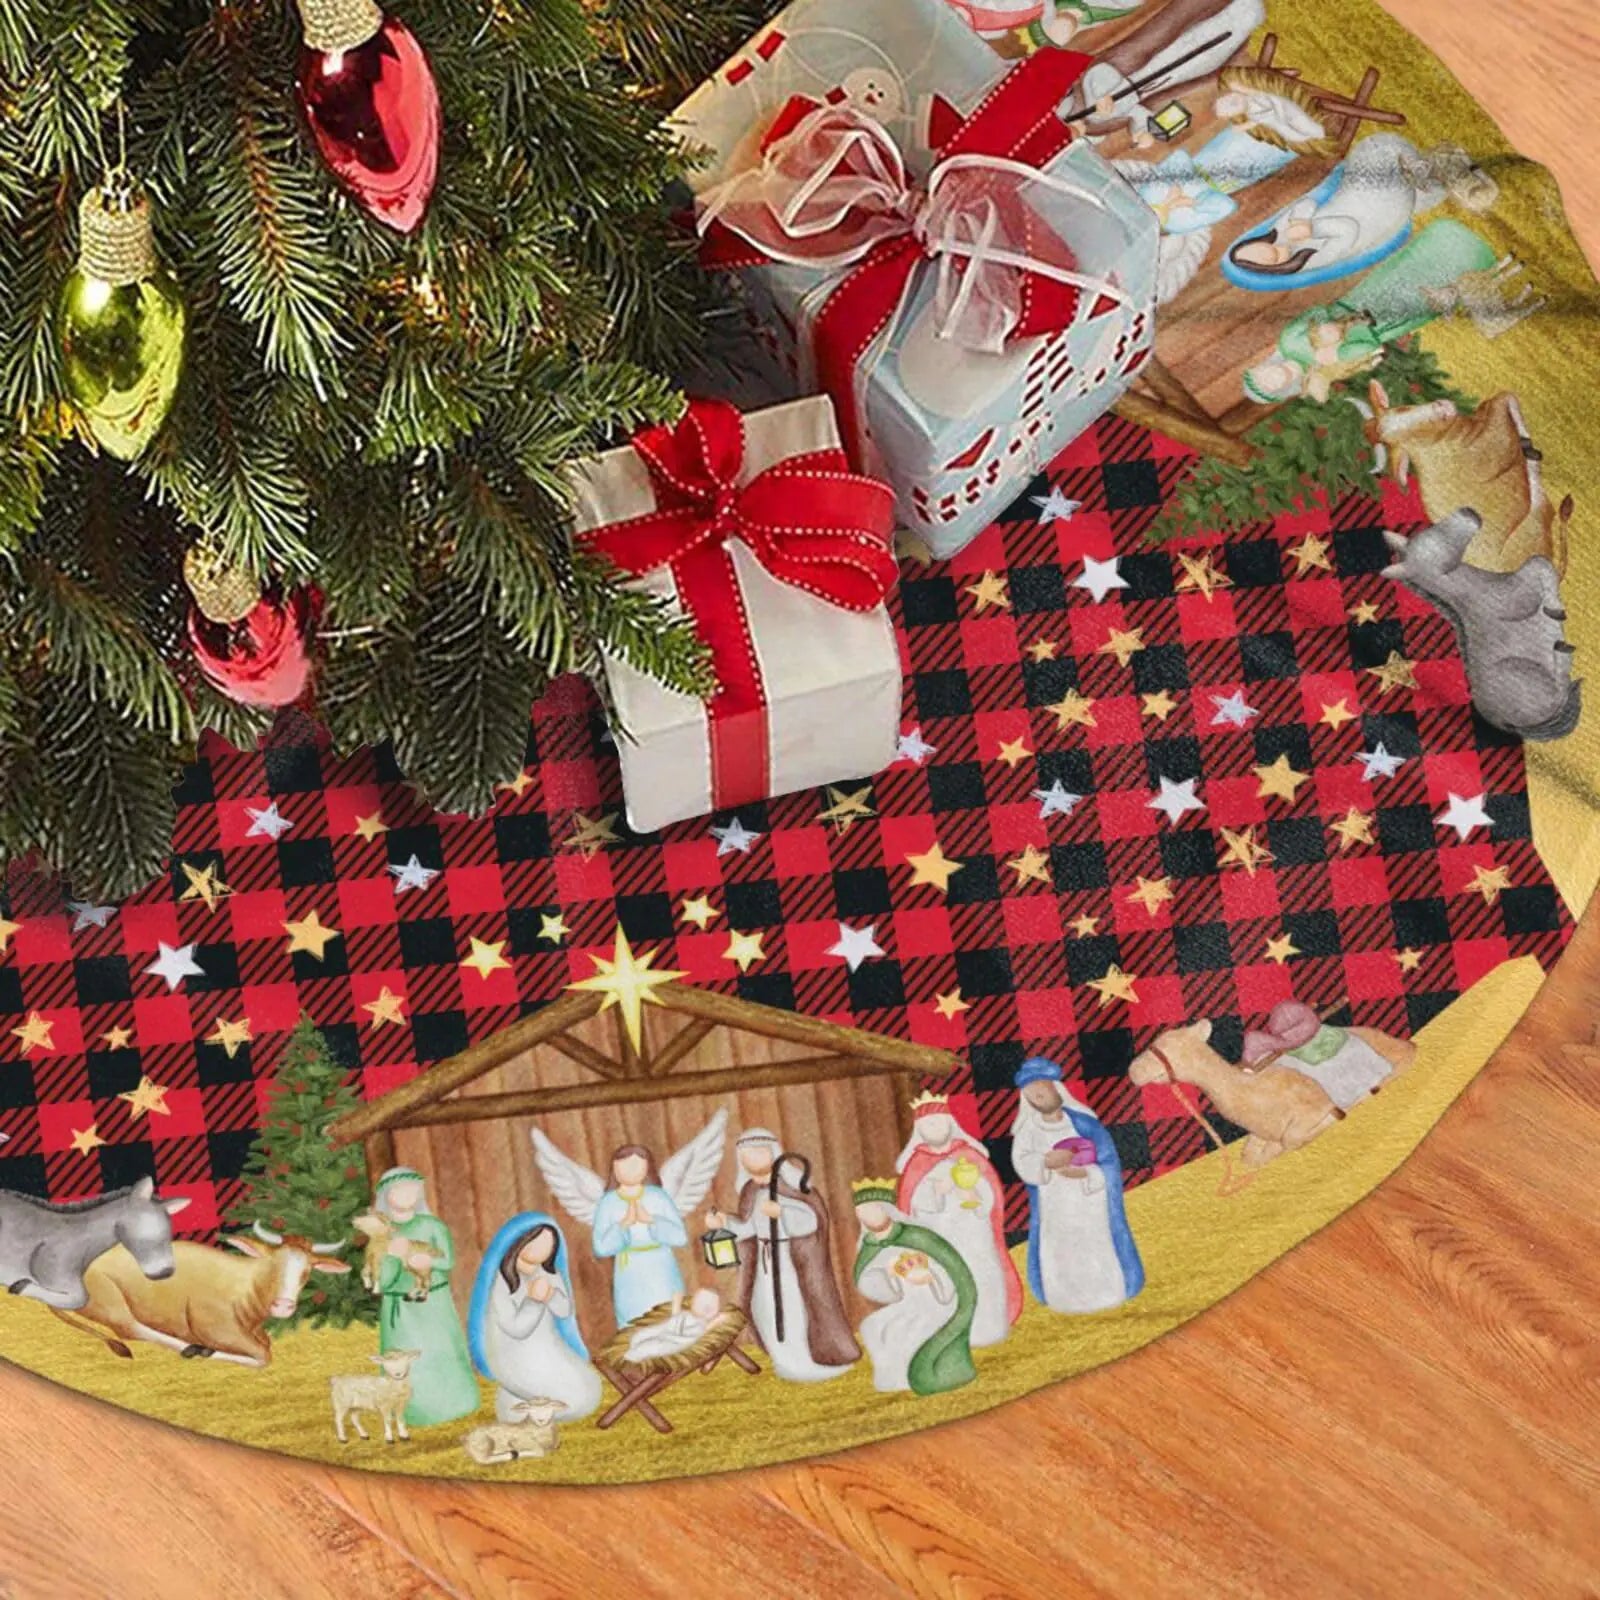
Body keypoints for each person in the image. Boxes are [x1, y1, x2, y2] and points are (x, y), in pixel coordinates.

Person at [530, 1112, 725, 1333]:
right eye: (623, 1165)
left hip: (661, 1266)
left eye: (636, 1165)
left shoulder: (658, 1197)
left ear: (646, 1167)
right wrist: (622, 1225)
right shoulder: (608, 1203)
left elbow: (679, 1237)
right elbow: (601, 1248)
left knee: (668, 1316)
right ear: (615, 1169)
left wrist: (652, 1221)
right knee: (635, 1321)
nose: (630, 1170)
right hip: (629, 1270)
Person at [705, 1127, 859, 1382]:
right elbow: (747, 1228)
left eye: (758, 1152)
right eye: (746, 1155)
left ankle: (800, 1361)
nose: (752, 1159)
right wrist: (724, 1222)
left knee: (791, 1308)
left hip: (788, 1260)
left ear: (773, 1152)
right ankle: (782, 1361)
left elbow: (812, 1221)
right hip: (764, 1262)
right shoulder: (751, 1191)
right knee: (765, 1308)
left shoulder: (793, 1186)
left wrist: (783, 1212)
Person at [1009, 1059, 1144, 1313]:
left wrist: (1084, 1172)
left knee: (1093, 1248)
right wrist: (1045, 1162)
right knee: (1061, 1252)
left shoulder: (1085, 1125)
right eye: (1031, 1092)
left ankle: (1107, 1292)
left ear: (1056, 1088)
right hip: (1054, 1208)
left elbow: (1108, 1163)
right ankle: (1064, 1299)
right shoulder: (1027, 1131)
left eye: (1042, 1087)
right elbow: (1023, 1162)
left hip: (1090, 1206)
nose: (1038, 1094)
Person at [895, 1093, 1022, 1347]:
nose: (936, 1128)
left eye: (940, 1122)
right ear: (920, 1130)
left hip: (975, 1234)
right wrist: (935, 1193)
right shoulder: (917, 1164)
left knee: (983, 1276)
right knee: (949, 1281)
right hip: (942, 1237)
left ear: (951, 1124)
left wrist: (975, 1194)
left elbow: (991, 1195)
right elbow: (911, 1206)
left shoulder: (970, 1155)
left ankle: (988, 1330)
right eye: (930, 1124)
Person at [370, 1167, 481, 1428]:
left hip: (434, 1303)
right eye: (400, 1189)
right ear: (387, 1195)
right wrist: (395, 1258)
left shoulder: (432, 1226)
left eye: (413, 1189)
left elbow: (448, 1260)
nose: (408, 1194)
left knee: (442, 1351)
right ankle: (413, 1410)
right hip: (402, 1308)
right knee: (407, 1358)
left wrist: (428, 1260)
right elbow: (383, 1279)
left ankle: (457, 1402)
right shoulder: (381, 1235)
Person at [467, 1212, 601, 1422]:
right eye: (536, 1242)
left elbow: (564, 1310)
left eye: (547, 1245)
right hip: (512, 1352)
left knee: (588, 1390)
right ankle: (518, 1397)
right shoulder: (503, 1280)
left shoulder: (549, 1273)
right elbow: (515, 1328)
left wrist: (552, 1295)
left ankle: (517, 1399)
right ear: (520, 1241)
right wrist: (534, 1302)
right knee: (570, 1398)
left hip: (547, 1348)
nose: (541, 1250)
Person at [852, 1180, 978, 1396]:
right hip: (908, 1302)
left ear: (886, 1209)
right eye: (862, 1211)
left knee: (905, 1330)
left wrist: (931, 1277)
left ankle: (905, 1378)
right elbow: (868, 1283)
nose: (867, 1215)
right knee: (871, 1326)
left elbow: (949, 1270)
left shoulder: (918, 1236)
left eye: (872, 1208)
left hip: (938, 1302)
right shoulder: (870, 1245)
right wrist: (888, 1276)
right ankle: (890, 1378)